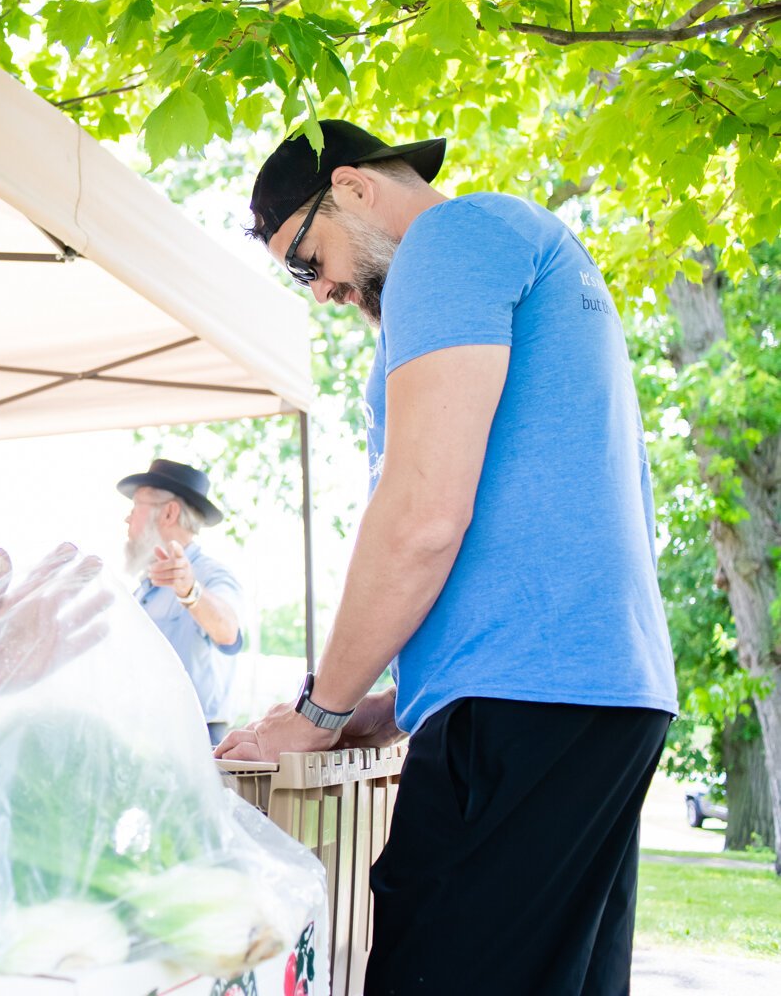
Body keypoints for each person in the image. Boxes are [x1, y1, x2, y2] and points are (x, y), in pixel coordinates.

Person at [217, 120, 677, 995]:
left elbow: (424, 513)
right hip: (591, 692)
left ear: (351, 188)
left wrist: (319, 709)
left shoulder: (449, 240)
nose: (320, 293)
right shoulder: (524, 242)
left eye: (306, 261)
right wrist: (397, 701)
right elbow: (535, 511)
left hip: (526, 701)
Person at [119, 459, 244, 746]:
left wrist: (190, 590)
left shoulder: (210, 576)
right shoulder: (146, 588)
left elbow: (228, 631)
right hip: (148, 736)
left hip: (193, 741)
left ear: (169, 513)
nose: (127, 518)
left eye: (136, 505)